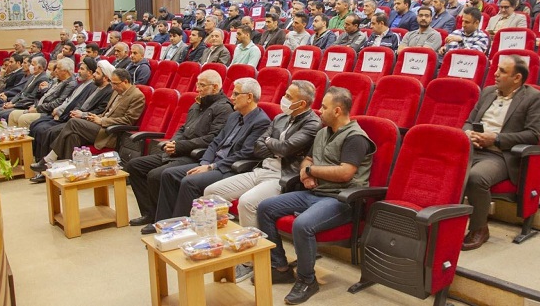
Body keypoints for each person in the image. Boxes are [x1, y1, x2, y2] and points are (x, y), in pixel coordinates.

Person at [257, 87, 376, 304]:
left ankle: (307, 280)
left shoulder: (355, 137)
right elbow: (309, 159)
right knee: (265, 207)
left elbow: (345, 172)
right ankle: (280, 267)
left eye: (324, 107)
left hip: (341, 200)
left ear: (337, 111)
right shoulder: (322, 132)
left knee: (302, 225)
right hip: (314, 192)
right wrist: (306, 173)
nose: (319, 110)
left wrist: (311, 171)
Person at [204, 81, 321, 282]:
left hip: (283, 177)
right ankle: (224, 246)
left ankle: (249, 260)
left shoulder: (312, 123)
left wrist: (272, 144)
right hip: (261, 169)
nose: (283, 99)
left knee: (247, 202)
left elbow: (285, 148)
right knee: (211, 193)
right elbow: (259, 147)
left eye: (289, 97)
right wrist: (276, 145)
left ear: (302, 104)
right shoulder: (280, 117)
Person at [127, 70, 233, 230]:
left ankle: (163, 220)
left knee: (156, 175)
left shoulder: (224, 108)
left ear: (215, 87)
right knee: (134, 165)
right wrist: (173, 142)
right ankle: (150, 213)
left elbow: (212, 138)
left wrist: (179, 146)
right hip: (179, 150)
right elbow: (183, 128)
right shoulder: (197, 104)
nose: (197, 88)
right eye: (197, 84)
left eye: (202, 85)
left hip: (195, 155)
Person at [154, 78, 271, 221]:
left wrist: (211, 167)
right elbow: (216, 142)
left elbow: (244, 154)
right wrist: (205, 163)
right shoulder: (234, 116)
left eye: (236, 94)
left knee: (189, 182)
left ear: (249, 97)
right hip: (213, 163)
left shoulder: (261, 122)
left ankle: (182, 226)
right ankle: (163, 222)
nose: (231, 97)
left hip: (229, 169)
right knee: (169, 174)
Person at [462, 55, 540, 250]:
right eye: (496, 69)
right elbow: (469, 120)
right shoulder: (488, 92)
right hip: (472, 147)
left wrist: (496, 138)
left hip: (500, 155)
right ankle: (444, 222)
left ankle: (479, 228)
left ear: (517, 78)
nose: (495, 74)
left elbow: (533, 135)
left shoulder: (534, 97)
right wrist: (467, 133)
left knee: (476, 177)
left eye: (502, 71)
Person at [30, 68, 145, 169]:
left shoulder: (137, 96)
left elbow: (128, 120)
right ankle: (68, 170)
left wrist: (102, 121)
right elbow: (107, 112)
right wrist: (95, 117)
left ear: (125, 81)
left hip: (111, 132)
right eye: (112, 83)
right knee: (72, 136)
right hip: (100, 124)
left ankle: (49, 159)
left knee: (73, 122)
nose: (113, 87)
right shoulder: (116, 92)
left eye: (115, 84)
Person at [28, 60, 114, 183]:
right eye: (95, 72)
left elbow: (99, 111)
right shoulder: (96, 87)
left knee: (53, 132)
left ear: (105, 77)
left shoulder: (109, 91)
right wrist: (76, 111)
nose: (94, 75)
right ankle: (61, 174)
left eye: (97, 73)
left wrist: (82, 115)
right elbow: (81, 103)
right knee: (71, 137)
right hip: (79, 119)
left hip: (90, 123)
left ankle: (48, 161)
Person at [7, 58, 77, 128]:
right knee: (13, 114)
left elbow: (58, 102)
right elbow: (43, 96)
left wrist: (37, 109)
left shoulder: (70, 84)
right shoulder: (56, 80)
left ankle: (24, 135)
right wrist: (41, 91)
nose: (55, 70)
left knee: (24, 119)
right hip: (39, 107)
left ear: (65, 71)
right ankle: (13, 134)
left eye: (58, 68)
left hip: (47, 112)